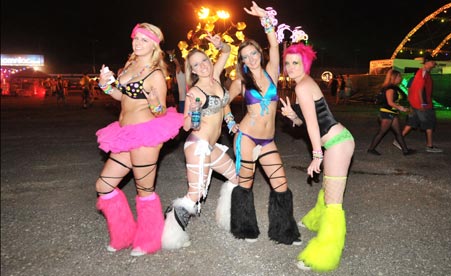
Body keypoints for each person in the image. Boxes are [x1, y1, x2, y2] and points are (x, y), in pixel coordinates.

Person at [95, 23, 183, 257]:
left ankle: (148, 240)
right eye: (135, 38)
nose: (137, 43)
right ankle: (123, 234)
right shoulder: (129, 66)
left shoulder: (155, 73)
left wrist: (154, 100)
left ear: (153, 44)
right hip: (125, 133)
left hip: (146, 133)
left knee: (144, 189)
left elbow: (160, 111)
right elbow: (119, 95)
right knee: (104, 185)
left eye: (144, 40)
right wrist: (106, 84)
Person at [225, 1, 301, 246]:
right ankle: (245, 228)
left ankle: (284, 231)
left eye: (253, 53)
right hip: (246, 138)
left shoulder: (272, 70)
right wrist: (230, 122)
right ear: (243, 61)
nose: (251, 58)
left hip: (268, 140)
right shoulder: (241, 82)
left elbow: (273, 43)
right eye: (245, 57)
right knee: (245, 185)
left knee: (281, 184)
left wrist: (265, 19)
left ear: (259, 53)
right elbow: (222, 100)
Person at [280, 43, 355, 272]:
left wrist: (316, 155)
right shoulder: (302, 84)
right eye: (288, 63)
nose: (291, 67)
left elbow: (314, 127)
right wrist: (294, 115)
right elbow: (308, 122)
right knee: (329, 187)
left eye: (296, 63)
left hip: (338, 144)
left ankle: (324, 253)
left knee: (334, 202)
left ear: (305, 64)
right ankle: (316, 219)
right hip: (335, 142)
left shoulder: (303, 87)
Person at [161, 34, 239, 249]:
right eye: (196, 65)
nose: (202, 66)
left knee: (236, 178)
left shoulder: (216, 78)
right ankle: (171, 234)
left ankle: (226, 219)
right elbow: (187, 126)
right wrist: (194, 113)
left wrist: (220, 44)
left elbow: (226, 51)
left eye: (204, 60)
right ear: (192, 71)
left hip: (212, 147)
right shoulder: (195, 91)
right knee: (194, 194)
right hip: (197, 146)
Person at [396, 54, 443, 153]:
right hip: (422, 105)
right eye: (432, 63)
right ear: (427, 62)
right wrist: (423, 104)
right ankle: (429, 146)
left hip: (416, 104)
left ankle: (398, 140)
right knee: (429, 123)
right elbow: (419, 89)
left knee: (411, 123)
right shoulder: (422, 73)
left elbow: (413, 90)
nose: (434, 65)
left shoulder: (422, 73)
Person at [367, 69, 415, 156]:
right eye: (399, 76)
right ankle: (371, 149)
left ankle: (405, 151)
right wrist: (401, 108)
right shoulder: (390, 88)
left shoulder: (394, 87)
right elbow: (390, 102)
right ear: (394, 77)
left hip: (392, 113)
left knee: (398, 133)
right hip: (386, 113)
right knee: (382, 132)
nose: (401, 78)